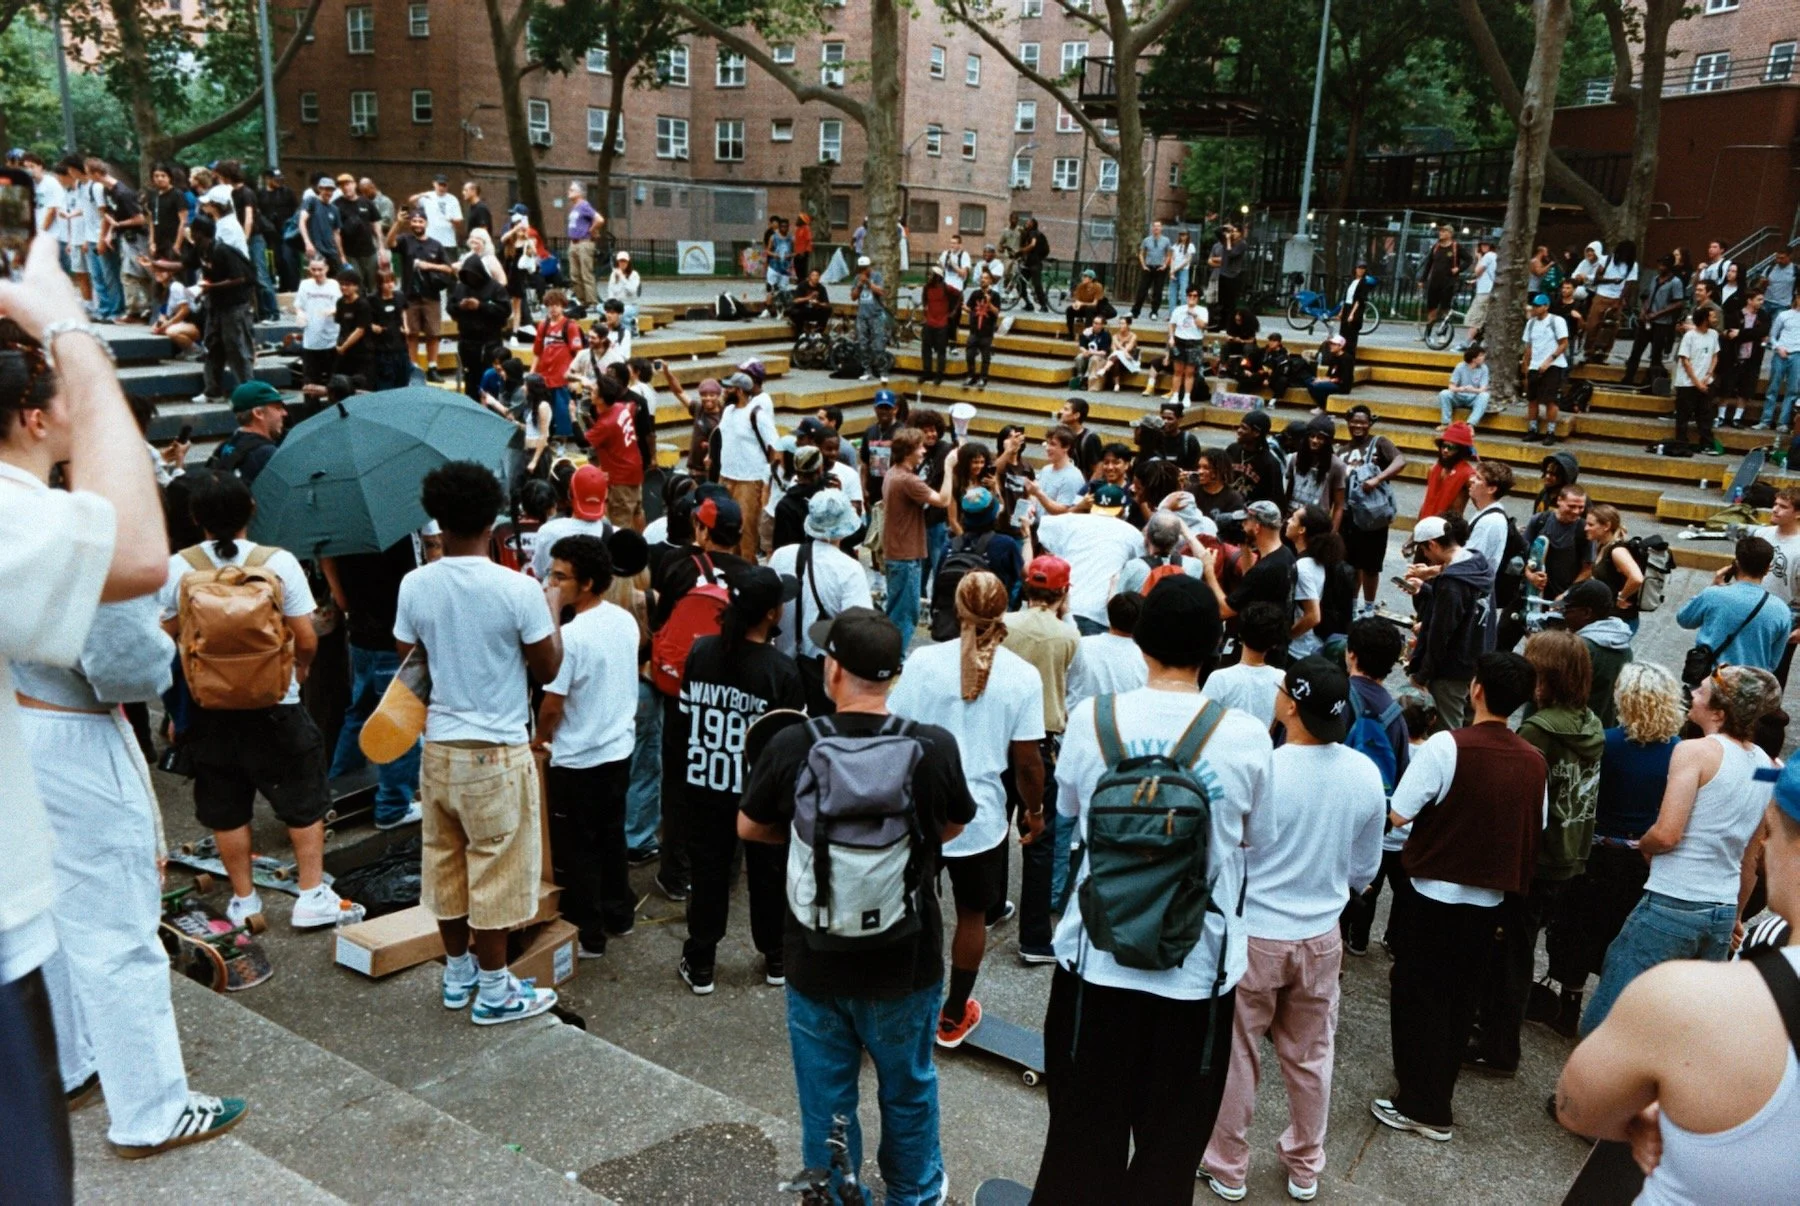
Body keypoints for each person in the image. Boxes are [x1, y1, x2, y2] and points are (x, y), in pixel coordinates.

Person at [1, 234, 179, 1189]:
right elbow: (128, 648)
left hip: (27, 728)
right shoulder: (31, 519)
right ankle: (151, 1105)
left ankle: (74, 1064)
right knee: (116, 923)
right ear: (35, 417)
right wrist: (71, 330)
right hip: (73, 728)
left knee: (63, 915)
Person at [1032, 576, 1274, 1201]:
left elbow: (1069, 810)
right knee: (1168, 1156)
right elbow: (1259, 839)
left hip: (1093, 963)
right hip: (1197, 973)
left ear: (1140, 641)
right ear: (1215, 645)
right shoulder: (1246, 736)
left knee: (1079, 1143)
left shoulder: (1092, 720)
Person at [739, 608, 974, 1205]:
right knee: (908, 1088)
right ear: (894, 675)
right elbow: (953, 824)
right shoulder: (933, 746)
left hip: (815, 957)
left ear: (833, 670)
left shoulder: (795, 744)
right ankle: (913, 1195)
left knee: (827, 1100)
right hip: (905, 958)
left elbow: (750, 826)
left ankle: (840, 1196)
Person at [1555, 746, 1800, 1204]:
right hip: (1717, 907)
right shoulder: (1756, 763)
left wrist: (1651, 1112)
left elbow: (1578, 1108)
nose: (1763, 847)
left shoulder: (1683, 997)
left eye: (1771, 831)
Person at [1201, 656, 1384, 1203]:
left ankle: (1228, 1163)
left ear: (1289, 705)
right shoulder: (1364, 774)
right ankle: (1305, 1164)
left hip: (1256, 932)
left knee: (1238, 1052)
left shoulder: (1264, 767)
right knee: (1311, 1055)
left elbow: (1228, 848)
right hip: (1322, 934)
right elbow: (1364, 870)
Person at [396, 460, 563, 1025]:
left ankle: (457, 972)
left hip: (439, 746)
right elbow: (548, 668)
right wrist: (552, 612)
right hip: (497, 749)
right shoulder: (517, 588)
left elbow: (409, 664)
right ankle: (494, 990)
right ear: (493, 520)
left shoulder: (415, 584)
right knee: (497, 872)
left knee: (444, 863)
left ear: (437, 520)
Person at [158, 470, 356, 931]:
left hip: (210, 708)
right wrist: (299, 670)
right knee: (303, 799)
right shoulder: (278, 562)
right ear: (251, 509)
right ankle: (310, 895)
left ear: (195, 518)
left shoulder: (177, 568)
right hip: (276, 704)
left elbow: (162, 637)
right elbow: (306, 636)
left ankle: (244, 901)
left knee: (225, 804)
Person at [1374, 651, 1546, 1143]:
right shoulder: (1534, 761)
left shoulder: (1446, 747)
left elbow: (1399, 813)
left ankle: (1420, 1103)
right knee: (1459, 1000)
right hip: (1488, 901)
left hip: (1432, 893)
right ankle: (1436, 1095)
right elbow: (1537, 827)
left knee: (1416, 995)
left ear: (1476, 689)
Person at [1579, 664, 1781, 1036]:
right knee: (1674, 1025)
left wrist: (1645, 845)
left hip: (1673, 902)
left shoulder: (1694, 752)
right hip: (1721, 911)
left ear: (1719, 713)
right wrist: (1737, 914)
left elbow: (1668, 834)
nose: (1693, 695)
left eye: (1702, 691)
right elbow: (1750, 856)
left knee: (1610, 1015)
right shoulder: (1766, 766)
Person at [1467, 630, 1604, 1079]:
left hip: (1534, 858)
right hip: (1568, 855)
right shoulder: (1590, 724)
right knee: (1520, 947)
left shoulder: (1538, 731)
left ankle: (1497, 1047)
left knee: (1509, 953)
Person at [673, 566, 806, 993]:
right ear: (771, 613)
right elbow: (792, 744)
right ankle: (776, 957)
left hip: (705, 785)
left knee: (708, 874)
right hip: (760, 794)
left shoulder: (701, 652)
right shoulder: (782, 670)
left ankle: (701, 963)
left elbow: (684, 721)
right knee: (768, 874)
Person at [1533, 662, 1683, 1039]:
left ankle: (1569, 1003)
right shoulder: (1679, 752)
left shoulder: (1607, 742)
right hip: (1643, 857)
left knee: (1577, 928)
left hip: (1597, 851)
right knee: (1618, 933)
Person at [534, 534, 639, 959]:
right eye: (551, 574)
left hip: (578, 761)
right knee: (612, 838)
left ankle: (589, 935)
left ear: (588, 583)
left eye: (561, 577)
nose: (551, 583)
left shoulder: (571, 637)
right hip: (618, 751)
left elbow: (551, 705)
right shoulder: (624, 620)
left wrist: (539, 739)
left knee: (579, 851)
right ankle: (620, 915)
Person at [1002, 556, 1080, 962]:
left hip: (999, 734)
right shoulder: (1067, 636)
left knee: (995, 823)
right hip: (1040, 741)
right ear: (1063, 592)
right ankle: (1034, 939)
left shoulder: (1003, 624)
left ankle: (991, 904)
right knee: (1039, 838)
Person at [1336, 617, 1415, 955]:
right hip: (1368, 828)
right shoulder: (1396, 717)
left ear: (1351, 654)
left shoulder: (1337, 698)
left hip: (1329, 818)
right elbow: (1401, 781)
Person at [769, 490, 873, 715]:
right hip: (823, 680)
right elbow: (861, 631)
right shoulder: (849, 569)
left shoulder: (781, 556)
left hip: (779, 671)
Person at [1403, 514, 1490, 728]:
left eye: (1423, 549)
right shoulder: (1477, 564)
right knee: (1469, 724)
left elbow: (1440, 634)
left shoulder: (1451, 583)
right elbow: (1463, 607)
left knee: (1447, 729)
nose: (1425, 556)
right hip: (1476, 658)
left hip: (1450, 668)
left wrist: (1421, 676)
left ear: (1432, 544)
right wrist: (1426, 589)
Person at [881, 427, 957, 648]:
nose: (924, 451)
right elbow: (943, 500)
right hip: (905, 555)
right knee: (905, 613)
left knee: (897, 609)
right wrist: (948, 467)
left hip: (897, 551)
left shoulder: (893, 473)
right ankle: (895, 657)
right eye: (920, 447)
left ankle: (889, 653)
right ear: (908, 451)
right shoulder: (908, 480)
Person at [1677, 535, 1793, 677]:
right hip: (1751, 684)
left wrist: (1712, 586)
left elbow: (1684, 619)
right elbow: (1773, 662)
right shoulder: (1782, 611)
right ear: (1768, 568)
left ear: (1736, 564)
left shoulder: (1713, 594)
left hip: (1711, 681)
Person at [1036, 497, 1146, 637]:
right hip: (1097, 613)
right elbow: (1141, 564)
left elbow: (1036, 523)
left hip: (1064, 604)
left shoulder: (1071, 520)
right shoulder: (1133, 533)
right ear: (1121, 510)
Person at [1339, 406, 1405, 617]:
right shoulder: (1342, 450)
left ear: (1370, 423)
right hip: (1349, 514)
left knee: (1370, 565)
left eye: (1362, 422)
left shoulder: (1379, 443)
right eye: (1354, 422)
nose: (1358, 426)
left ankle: (1368, 607)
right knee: (1351, 564)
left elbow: (1400, 461)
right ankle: (1351, 605)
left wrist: (1378, 478)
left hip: (1372, 515)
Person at [387, 208, 455, 383]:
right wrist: (398, 223)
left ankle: (432, 367)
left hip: (431, 295)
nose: (417, 224)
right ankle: (413, 368)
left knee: (433, 333)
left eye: (420, 221)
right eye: (414, 221)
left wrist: (428, 266)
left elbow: (448, 268)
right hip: (410, 296)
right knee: (412, 334)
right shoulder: (405, 240)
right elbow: (389, 243)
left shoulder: (436, 245)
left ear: (426, 223)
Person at [1200, 602, 1288, 726]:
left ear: (1240, 634)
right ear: (1275, 644)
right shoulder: (1281, 679)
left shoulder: (1220, 678)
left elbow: (1202, 723)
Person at [1560, 580, 1635, 727]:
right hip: (1604, 727)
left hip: (1576, 730)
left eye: (1567, 609)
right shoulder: (1623, 644)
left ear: (1586, 613)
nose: (1563, 614)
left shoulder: (1580, 648)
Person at [1065, 591, 1148, 712]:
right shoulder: (1145, 660)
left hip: (1075, 716)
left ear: (1109, 615)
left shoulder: (1081, 645)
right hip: (1121, 720)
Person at [531, 464, 614, 581]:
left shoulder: (548, 531)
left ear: (570, 495)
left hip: (556, 591)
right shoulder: (612, 532)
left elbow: (539, 573)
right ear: (605, 496)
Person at [1751, 487, 1800, 685]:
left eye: (1783, 507)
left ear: (1797, 513)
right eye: (1775, 504)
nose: (1775, 509)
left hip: (1785, 614)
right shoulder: (1761, 534)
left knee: (1775, 673)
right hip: (1753, 607)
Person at [449, 256, 510, 402]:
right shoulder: (460, 287)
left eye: (473, 275)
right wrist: (460, 306)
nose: (471, 278)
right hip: (467, 341)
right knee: (470, 379)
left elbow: (505, 310)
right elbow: (450, 307)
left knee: (490, 379)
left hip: (489, 343)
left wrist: (481, 306)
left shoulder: (495, 288)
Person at [1621, 254, 1687, 389]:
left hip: (1662, 323)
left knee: (1656, 354)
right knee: (1636, 350)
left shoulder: (1675, 282)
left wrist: (1657, 314)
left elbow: (1678, 303)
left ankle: (1653, 383)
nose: (1660, 267)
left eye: (1663, 265)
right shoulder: (1655, 279)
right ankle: (1628, 378)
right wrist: (1644, 310)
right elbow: (1647, 296)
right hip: (1647, 320)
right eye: (1659, 264)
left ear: (1669, 266)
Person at [1581, 503, 1646, 633]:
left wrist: (1621, 597)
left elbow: (1637, 578)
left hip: (1621, 621)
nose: (1585, 528)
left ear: (1606, 526)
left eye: (1591, 525)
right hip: (1607, 618)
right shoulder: (1602, 546)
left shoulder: (1617, 551)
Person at [1525, 484, 1592, 606]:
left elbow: (1588, 569)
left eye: (1581, 507)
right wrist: (1530, 575)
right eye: (1571, 506)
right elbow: (1522, 554)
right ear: (1559, 500)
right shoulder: (1540, 520)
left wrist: (1566, 595)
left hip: (1562, 599)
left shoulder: (1584, 529)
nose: (1576, 511)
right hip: (1533, 593)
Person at [1522, 293, 1572, 445]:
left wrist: (1549, 360)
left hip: (1553, 365)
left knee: (1551, 400)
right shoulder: (1531, 324)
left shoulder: (1556, 321)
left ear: (1546, 306)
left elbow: (1564, 343)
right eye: (1534, 306)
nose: (1535, 309)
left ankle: (1551, 431)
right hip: (1535, 364)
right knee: (1532, 399)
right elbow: (1529, 346)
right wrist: (1526, 366)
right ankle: (1532, 429)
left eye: (1538, 306)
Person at [1284, 414, 1347, 530]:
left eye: (1320, 438)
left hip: (1316, 525)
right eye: (1312, 436)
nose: (1315, 441)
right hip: (1292, 520)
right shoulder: (1294, 458)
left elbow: (1339, 505)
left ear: (1327, 441)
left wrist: (1332, 533)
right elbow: (1288, 492)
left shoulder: (1336, 465)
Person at [1673, 303, 1721, 452]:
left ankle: (1706, 443)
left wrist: (1709, 374)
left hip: (1706, 381)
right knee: (1683, 415)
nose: (1716, 319)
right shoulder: (1690, 336)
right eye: (1712, 317)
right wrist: (1697, 382)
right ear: (1705, 319)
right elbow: (1685, 361)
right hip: (1687, 383)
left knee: (1706, 414)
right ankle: (1681, 443)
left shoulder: (1713, 334)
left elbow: (1715, 356)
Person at [1226, 409, 1287, 510]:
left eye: (1244, 428)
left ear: (1256, 433)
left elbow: (1276, 500)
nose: (1239, 431)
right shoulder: (1232, 449)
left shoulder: (1270, 463)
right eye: (1240, 426)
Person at [917, 266, 961, 387]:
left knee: (941, 351)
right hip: (929, 323)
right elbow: (924, 299)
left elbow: (959, 295)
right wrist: (925, 310)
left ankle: (939, 375)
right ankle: (927, 373)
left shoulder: (946, 288)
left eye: (931, 274)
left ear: (937, 277)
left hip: (942, 323)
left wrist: (953, 312)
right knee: (925, 349)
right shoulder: (927, 287)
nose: (928, 276)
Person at [1166, 287, 1209, 406]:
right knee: (1177, 371)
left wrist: (1194, 315)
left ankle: (1187, 396)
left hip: (1194, 342)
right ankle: (1175, 395)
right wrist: (1171, 337)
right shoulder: (1179, 309)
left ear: (1198, 298)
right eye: (1190, 295)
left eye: (1195, 296)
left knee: (1190, 372)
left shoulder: (1202, 310)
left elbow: (1203, 326)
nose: (1192, 298)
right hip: (1179, 340)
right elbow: (1172, 324)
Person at [330, 267, 372, 387]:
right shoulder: (340, 302)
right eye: (341, 284)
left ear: (356, 287)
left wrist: (343, 347)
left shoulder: (363, 304)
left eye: (347, 285)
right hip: (343, 351)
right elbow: (339, 325)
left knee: (360, 384)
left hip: (360, 352)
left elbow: (360, 330)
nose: (343, 287)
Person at [1418, 224, 1464, 334]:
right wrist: (1422, 279)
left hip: (1448, 282)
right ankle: (1427, 334)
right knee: (1431, 308)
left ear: (1450, 234)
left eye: (1444, 231)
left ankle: (1443, 333)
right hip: (1434, 282)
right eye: (1440, 231)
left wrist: (1458, 269)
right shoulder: (1436, 247)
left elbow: (1469, 259)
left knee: (1445, 308)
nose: (1441, 233)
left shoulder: (1456, 247)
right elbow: (1429, 264)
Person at [962, 269, 1001, 388]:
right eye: (981, 278)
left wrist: (989, 303)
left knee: (985, 356)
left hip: (987, 332)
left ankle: (983, 378)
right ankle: (971, 376)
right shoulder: (975, 294)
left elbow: (996, 312)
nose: (982, 280)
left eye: (985, 278)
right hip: (974, 331)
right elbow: (970, 309)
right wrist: (962, 306)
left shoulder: (995, 295)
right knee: (969, 355)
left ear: (990, 281)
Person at [851, 255, 888, 381]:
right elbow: (853, 297)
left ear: (869, 267)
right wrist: (859, 286)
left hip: (876, 315)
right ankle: (867, 370)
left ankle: (882, 372)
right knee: (863, 345)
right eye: (860, 268)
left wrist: (868, 282)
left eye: (864, 268)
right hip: (862, 316)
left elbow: (881, 292)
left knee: (878, 345)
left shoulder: (876, 276)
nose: (862, 270)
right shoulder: (857, 278)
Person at [564, 182, 601, 306]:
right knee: (574, 275)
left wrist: (591, 230)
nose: (569, 191)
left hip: (584, 243)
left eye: (572, 189)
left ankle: (592, 302)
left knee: (586, 274)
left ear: (580, 193)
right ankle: (582, 301)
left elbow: (599, 219)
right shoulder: (575, 207)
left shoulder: (584, 206)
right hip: (573, 243)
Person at [1438, 346, 1492, 426]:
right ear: (1474, 359)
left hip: (1474, 398)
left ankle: (1470, 424)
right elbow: (1451, 386)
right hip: (1459, 396)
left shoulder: (1484, 368)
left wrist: (1473, 390)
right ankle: (1446, 423)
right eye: (1481, 355)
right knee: (1444, 394)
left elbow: (1483, 389)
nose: (1483, 357)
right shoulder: (1460, 366)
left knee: (1485, 395)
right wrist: (1461, 389)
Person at [1064, 268, 1110, 340]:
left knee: (1090, 309)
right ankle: (1070, 334)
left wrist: (1082, 303)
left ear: (1091, 279)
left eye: (1085, 276)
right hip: (1083, 308)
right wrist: (1075, 305)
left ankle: (1086, 335)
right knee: (1069, 309)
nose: (1083, 278)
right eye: (1083, 276)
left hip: (1095, 310)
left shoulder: (1098, 286)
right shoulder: (1080, 286)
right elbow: (1077, 300)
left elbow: (1094, 303)